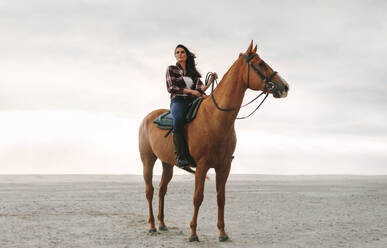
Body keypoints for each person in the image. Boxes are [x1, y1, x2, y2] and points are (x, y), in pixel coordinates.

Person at [166, 44, 218, 168]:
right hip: (178, 101)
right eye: (177, 52)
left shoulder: (193, 73)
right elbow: (171, 87)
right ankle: (180, 155)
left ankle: (217, 151)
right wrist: (190, 91)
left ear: (186, 55)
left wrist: (210, 81)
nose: (180, 54)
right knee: (178, 118)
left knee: (211, 116)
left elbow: (200, 88)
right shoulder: (171, 69)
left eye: (182, 52)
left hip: (193, 100)